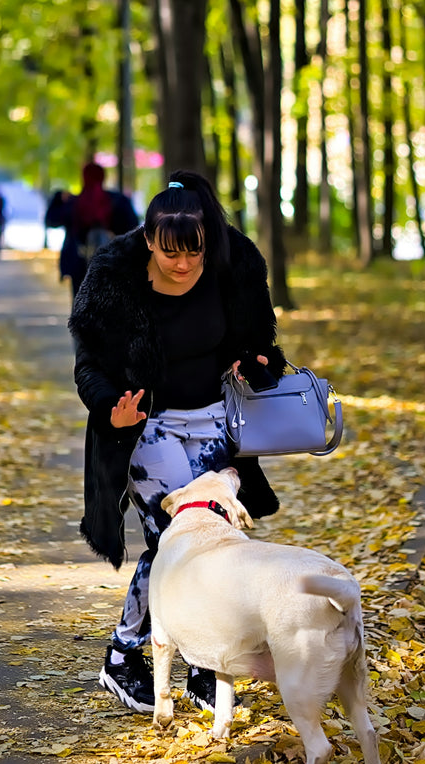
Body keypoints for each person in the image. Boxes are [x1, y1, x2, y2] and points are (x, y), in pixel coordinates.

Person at [68, 170, 287, 714]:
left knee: (214, 539)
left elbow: (259, 340)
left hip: (213, 422)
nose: (183, 264)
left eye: (193, 253)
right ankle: (123, 657)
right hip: (149, 428)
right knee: (173, 539)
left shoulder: (230, 269)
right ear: (148, 241)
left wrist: (258, 363)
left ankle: (200, 666)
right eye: (170, 253)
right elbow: (89, 366)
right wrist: (110, 410)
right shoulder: (115, 283)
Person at [45, 162, 139, 298]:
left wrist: (58, 197)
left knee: (81, 302)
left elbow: (51, 220)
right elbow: (133, 226)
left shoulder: (74, 202)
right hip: (111, 261)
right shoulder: (117, 201)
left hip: (79, 261)